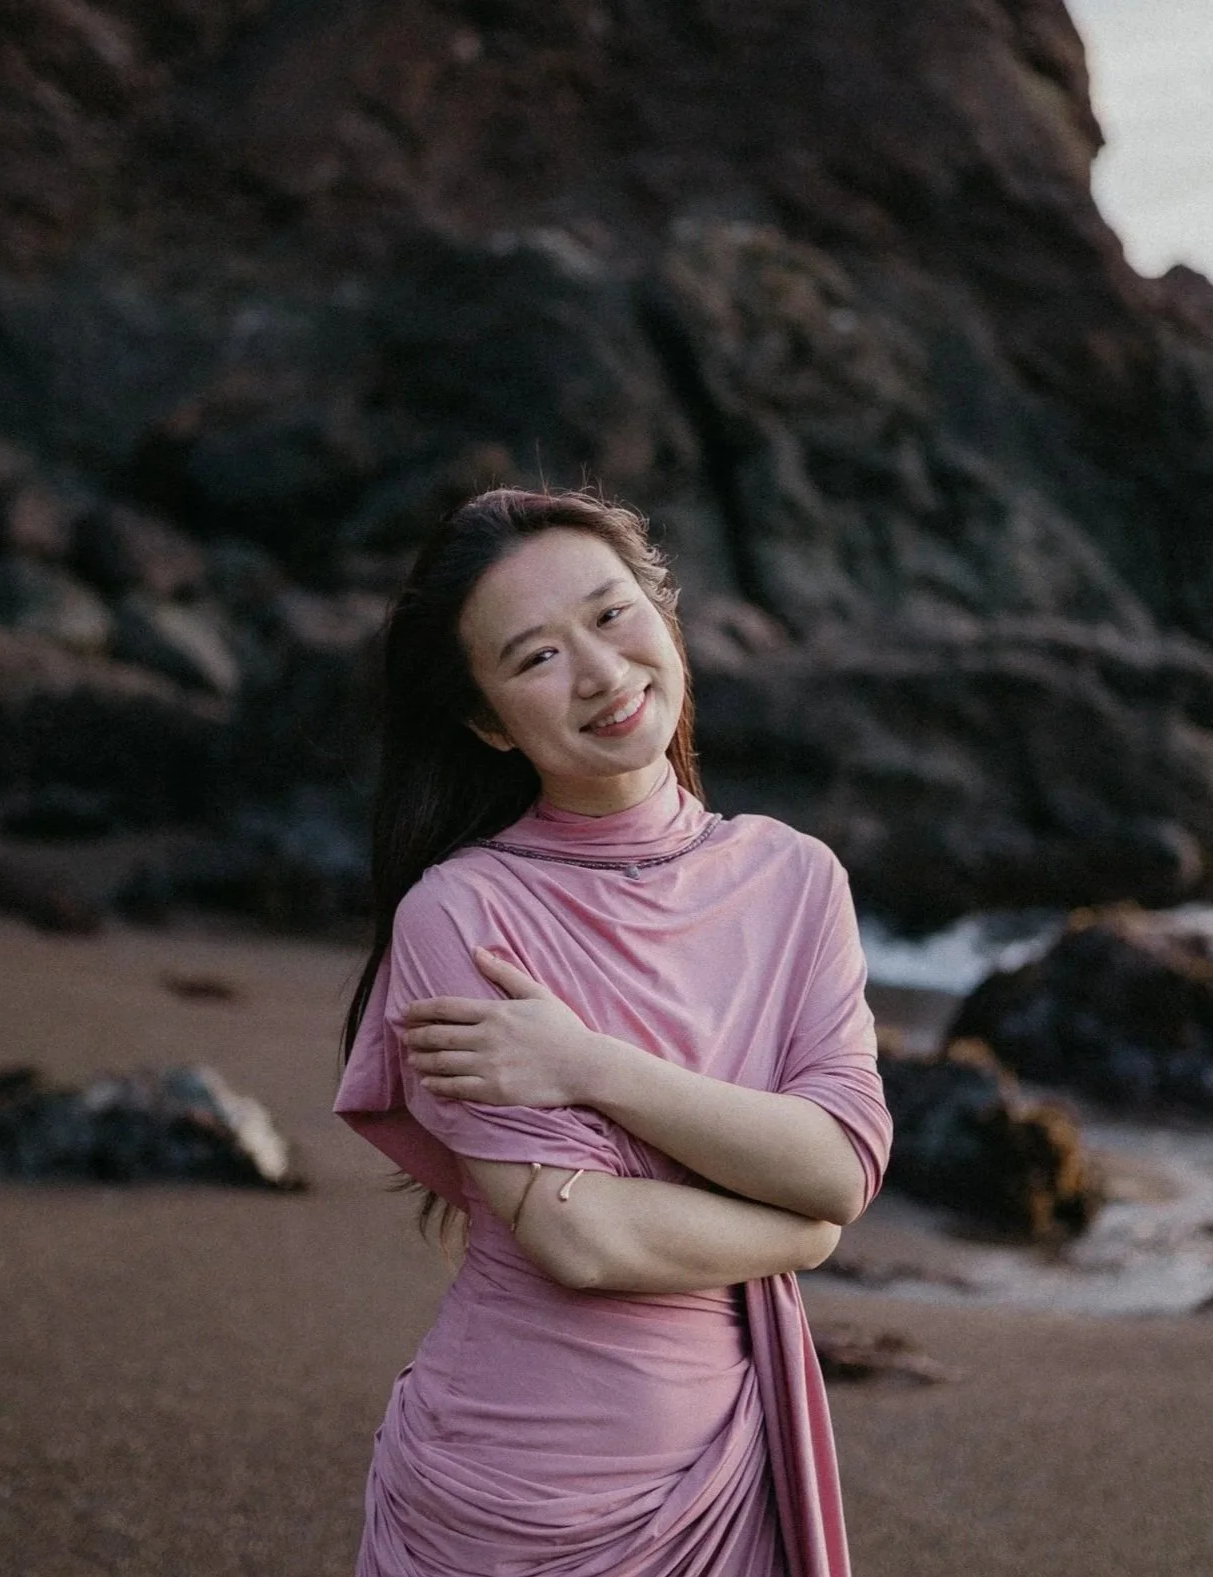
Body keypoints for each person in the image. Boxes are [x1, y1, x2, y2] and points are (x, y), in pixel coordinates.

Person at [334, 486, 893, 1577]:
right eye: (535, 656)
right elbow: (579, 1238)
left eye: (609, 613)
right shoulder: (461, 911)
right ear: (489, 720)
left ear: (663, 614)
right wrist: (800, 1231)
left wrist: (588, 1063)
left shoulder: (795, 878)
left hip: (728, 1470)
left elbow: (839, 1162)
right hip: (505, 1492)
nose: (598, 671)